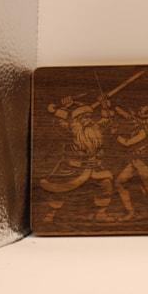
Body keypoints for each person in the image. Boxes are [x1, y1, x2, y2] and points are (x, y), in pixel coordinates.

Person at [40, 94, 116, 222]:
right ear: (77, 120)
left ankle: (101, 213)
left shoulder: (94, 129)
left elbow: (106, 121)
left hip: (93, 167)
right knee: (59, 188)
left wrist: (104, 106)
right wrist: (64, 107)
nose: (89, 120)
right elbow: (58, 122)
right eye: (85, 117)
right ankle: (51, 214)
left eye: (90, 117)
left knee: (105, 183)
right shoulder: (70, 130)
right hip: (72, 168)